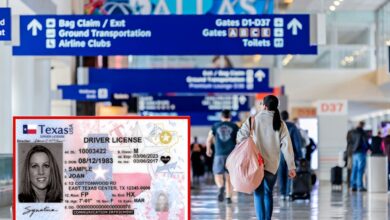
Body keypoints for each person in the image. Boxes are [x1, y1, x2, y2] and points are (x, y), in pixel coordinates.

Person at [237, 95, 296, 220]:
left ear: (264, 106)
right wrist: (291, 167)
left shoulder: (252, 120)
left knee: (258, 193)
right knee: (268, 193)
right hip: (273, 165)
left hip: (255, 164)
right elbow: (287, 146)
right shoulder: (280, 123)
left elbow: (240, 137)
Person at [206, 110, 239, 204]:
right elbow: (239, 140)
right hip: (231, 155)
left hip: (219, 154)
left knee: (218, 174)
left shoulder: (215, 126)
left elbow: (209, 139)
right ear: (230, 117)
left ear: (221, 117)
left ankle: (221, 187)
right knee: (229, 177)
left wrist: (208, 149)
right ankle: (228, 197)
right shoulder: (234, 126)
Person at [278, 111, 303, 199]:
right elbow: (297, 142)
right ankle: (288, 192)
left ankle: (282, 193)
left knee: (280, 173)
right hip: (290, 152)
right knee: (290, 172)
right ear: (288, 117)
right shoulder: (292, 126)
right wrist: (300, 155)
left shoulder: (277, 126)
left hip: (279, 153)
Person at [348, 121, 370, 192]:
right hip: (361, 152)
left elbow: (349, 142)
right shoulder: (362, 132)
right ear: (363, 125)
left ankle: (353, 185)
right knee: (360, 170)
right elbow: (365, 142)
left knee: (354, 169)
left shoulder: (352, 132)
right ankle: (360, 186)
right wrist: (370, 148)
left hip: (354, 153)